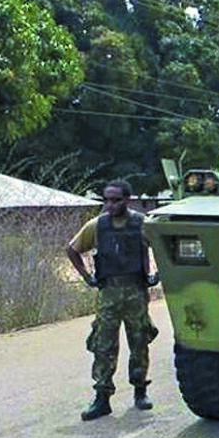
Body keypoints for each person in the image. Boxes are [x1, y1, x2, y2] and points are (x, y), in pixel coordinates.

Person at [66, 180, 159, 421]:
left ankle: (140, 390)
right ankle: (102, 397)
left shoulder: (142, 224)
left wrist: (157, 274)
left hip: (135, 291)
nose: (110, 204)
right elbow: (72, 249)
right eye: (106, 200)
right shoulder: (97, 225)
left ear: (127, 200)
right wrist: (87, 276)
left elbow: (162, 245)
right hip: (108, 294)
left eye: (116, 200)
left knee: (139, 342)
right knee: (103, 345)